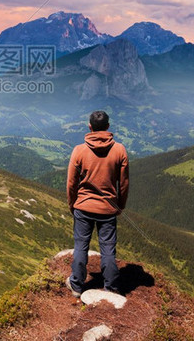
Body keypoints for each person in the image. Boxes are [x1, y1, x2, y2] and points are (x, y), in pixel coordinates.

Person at [65, 110, 129, 297]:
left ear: (90, 127)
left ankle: (76, 285)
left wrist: (72, 204)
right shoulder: (119, 150)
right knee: (108, 249)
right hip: (108, 209)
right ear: (108, 127)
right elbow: (123, 183)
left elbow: (71, 183)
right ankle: (111, 287)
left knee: (81, 246)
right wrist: (120, 205)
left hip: (83, 206)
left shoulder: (79, 150)